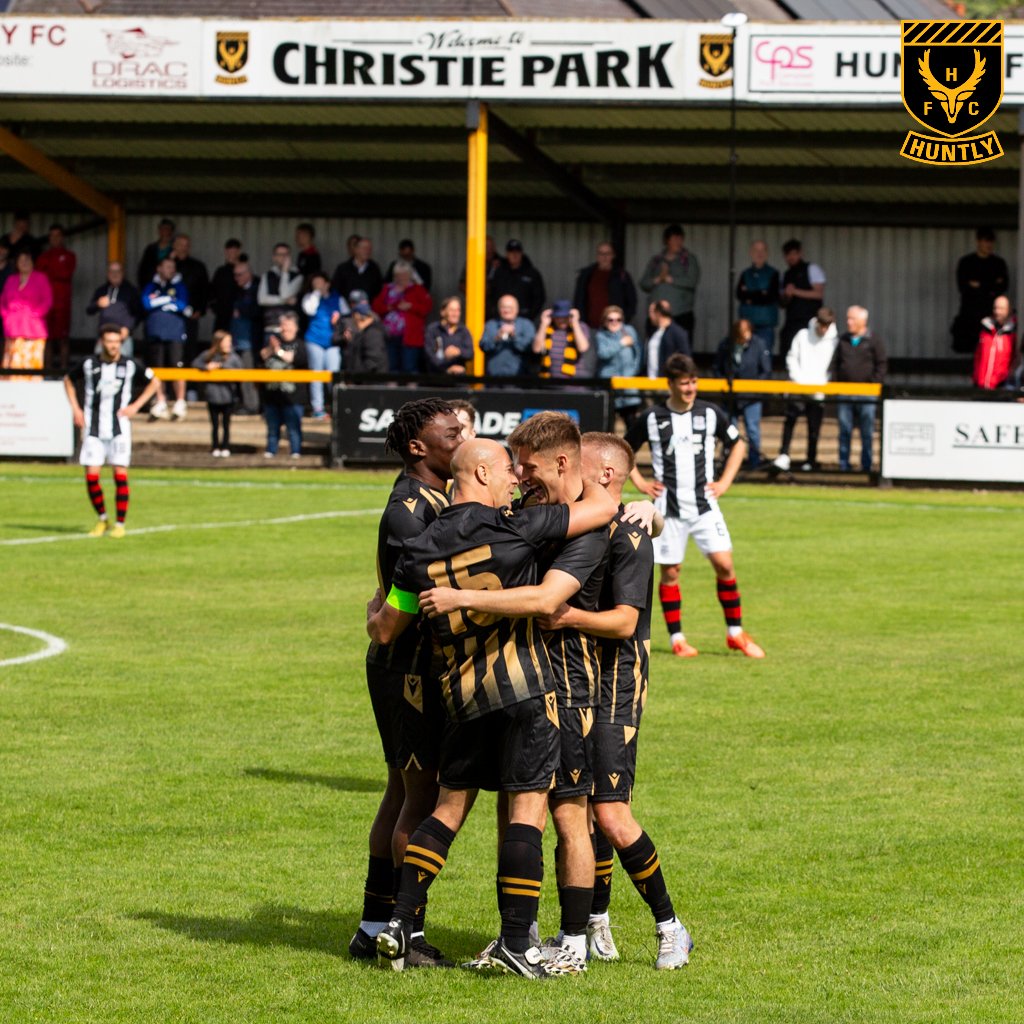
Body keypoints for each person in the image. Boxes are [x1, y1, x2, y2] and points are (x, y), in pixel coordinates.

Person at [367, 438, 617, 977]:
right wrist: (643, 506)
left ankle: (399, 922)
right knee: (527, 813)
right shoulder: (516, 528)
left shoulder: (417, 551)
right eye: (508, 470)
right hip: (524, 693)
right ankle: (514, 942)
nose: (515, 482)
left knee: (448, 810)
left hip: (461, 699)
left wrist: (373, 608)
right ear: (481, 471)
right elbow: (602, 508)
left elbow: (385, 628)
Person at [551, 431, 693, 970]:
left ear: (607, 474)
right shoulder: (584, 519)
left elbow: (625, 622)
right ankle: (595, 925)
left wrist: (563, 616)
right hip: (578, 680)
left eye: (577, 467)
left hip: (617, 683)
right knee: (579, 808)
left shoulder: (631, 530)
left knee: (609, 812)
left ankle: (671, 927)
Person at [348, 399, 464, 969]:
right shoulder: (409, 508)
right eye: (451, 431)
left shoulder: (438, 497)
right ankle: (406, 934)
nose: (462, 437)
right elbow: (406, 595)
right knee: (419, 797)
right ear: (418, 447)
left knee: (401, 790)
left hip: (412, 664)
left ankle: (373, 927)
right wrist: (383, 621)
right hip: (409, 667)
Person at [627, 354, 765, 660]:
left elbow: (739, 443)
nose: (690, 388)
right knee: (671, 572)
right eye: (684, 383)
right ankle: (677, 639)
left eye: (693, 382)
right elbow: (623, 450)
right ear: (671, 384)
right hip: (668, 507)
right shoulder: (652, 417)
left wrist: (726, 481)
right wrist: (640, 483)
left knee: (725, 565)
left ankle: (735, 633)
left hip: (704, 505)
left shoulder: (710, 413)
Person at [63, 324, 161, 538]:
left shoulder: (130, 365)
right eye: (109, 341)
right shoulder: (89, 364)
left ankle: (119, 523)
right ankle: (102, 519)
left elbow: (154, 382)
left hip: (119, 428)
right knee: (91, 476)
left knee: (120, 474)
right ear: (102, 342)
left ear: (121, 343)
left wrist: (136, 406)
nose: (113, 346)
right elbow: (68, 380)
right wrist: (76, 409)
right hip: (93, 427)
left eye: (117, 342)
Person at [772, 307, 839, 473]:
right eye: (821, 325)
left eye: (827, 326)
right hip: (798, 386)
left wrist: (822, 384)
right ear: (816, 322)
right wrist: (798, 379)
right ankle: (784, 454)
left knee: (814, 426)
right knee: (790, 421)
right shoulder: (802, 335)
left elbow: (832, 367)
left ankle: (810, 459)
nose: (823, 329)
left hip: (818, 390)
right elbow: (792, 357)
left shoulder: (834, 341)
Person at [830, 306, 887, 473]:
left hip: (866, 394)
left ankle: (866, 465)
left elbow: (881, 364)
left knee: (867, 432)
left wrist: (874, 383)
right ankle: (843, 464)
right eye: (848, 318)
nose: (849, 322)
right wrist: (836, 384)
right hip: (845, 392)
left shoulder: (874, 340)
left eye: (852, 319)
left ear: (863, 321)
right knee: (844, 430)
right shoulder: (842, 340)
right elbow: (835, 363)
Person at [713, 319, 772, 469]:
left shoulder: (758, 344)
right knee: (729, 430)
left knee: (752, 429)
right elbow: (717, 368)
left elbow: (766, 370)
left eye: (747, 333)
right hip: (730, 396)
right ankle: (729, 461)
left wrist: (752, 387)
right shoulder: (726, 345)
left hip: (751, 396)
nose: (745, 337)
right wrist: (724, 383)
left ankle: (754, 462)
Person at [142, 255, 191, 421]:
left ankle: (179, 401)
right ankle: (160, 400)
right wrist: (168, 301)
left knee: (177, 367)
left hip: (174, 332)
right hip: (155, 333)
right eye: (167, 267)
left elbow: (182, 304)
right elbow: (146, 303)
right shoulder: (151, 286)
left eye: (172, 267)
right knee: (157, 369)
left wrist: (160, 302)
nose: (170, 270)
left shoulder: (180, 286)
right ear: (159, 268)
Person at [953, 227, 1010, 354]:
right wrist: (991, 285)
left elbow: (1003, 286)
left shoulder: (998, 263)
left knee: (991, 349)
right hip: (971, 315)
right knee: (970, 348)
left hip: (991, 315)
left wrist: (979, 285)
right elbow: (963, 287)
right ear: (978, 241)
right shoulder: (967, 263)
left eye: (991, 241)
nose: (989, 244)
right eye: (986, 241)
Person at [639, 224, 700, 340]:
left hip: (681, 315)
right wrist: (658, 279)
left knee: (680, 351)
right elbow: (643, 283)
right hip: (657, 316)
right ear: (666, 241)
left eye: (680, 239)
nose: (678, 242)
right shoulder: (656, 261)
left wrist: (669, 278)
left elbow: (692, 282)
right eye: (674, 239)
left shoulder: (689, 260)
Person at [260, 312, 307, 459]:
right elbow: (261, 357)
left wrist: (278, 351)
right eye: (282, 325)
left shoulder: (300, 344)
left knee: (293, 428)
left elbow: (297, 359)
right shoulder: (273, 341)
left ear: (295, 327)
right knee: (272, 427)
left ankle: (295, 451)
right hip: (272, 394)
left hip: (293, 396)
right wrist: (271, 348)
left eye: (287, 325)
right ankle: (270, 450)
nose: (284, 328)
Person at [301, 272, 348, 418]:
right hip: (314, 340)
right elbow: (309, 309)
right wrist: (316, 292)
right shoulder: (310, 297)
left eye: (321, 283)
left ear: (327, 283)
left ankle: (336, 405)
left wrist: (339, 320)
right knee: (317, 374)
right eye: (315, 283)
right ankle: (318, 408)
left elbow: (347, 316)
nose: (318, 286)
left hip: (333, 342)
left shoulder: (337, 298)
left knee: (333, 374)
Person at [373, 261, 433, 374]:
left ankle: (411, 391)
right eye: (399, 275)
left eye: (405, 275)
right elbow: (376, 307)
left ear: (410, 275)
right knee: (392, 368)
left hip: (410, 336)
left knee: (410, 368)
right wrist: (390, 307)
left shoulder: (418, 289)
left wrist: (410, 306)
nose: (401, 278)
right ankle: (393, 391)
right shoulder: (387, 289)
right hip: (389, 336)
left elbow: (427, 308)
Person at [1, 251, 52, 376]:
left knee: (30, 365)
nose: (24, 263)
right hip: (13, 328)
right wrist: (6, 316)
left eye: (27, 260)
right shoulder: (11, 280)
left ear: (32, 262)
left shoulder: (41, 278)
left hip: (33, 329)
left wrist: (35, 315)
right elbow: (2, 301)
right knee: (12, 362)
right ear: (17, 264)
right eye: (21, 260)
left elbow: (47, 300)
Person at [192, 330, 242, 457]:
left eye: (230, 342)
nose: (228, 344)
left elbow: (241, 371)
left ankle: (225, 446)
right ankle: (215, 446)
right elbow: (195, 363)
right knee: (214, 425)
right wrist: (207, 367)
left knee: (226, 424)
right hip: (213, 396)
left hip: (228, 396)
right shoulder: (208, 355)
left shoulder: (233, 357)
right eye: (226, 341)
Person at [36, 223, 76, 370]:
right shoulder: (43, 257)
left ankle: (63, 371)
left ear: (63, 237)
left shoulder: (69, 256)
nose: (55, 239)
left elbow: (66, 274)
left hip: (63, 304)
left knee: (63, 339)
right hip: (46, 305)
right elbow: (39, 276)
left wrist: (51, 271)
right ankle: (47, 370)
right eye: (52, 236)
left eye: (58, 235)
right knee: (47, 339)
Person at [595, 304, 643, 426]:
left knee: (632, 423)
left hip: (628, 384)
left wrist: (634, 371)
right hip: (610, 385)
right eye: (610, 320)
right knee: (608, 426)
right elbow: (603, 353)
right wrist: (621, 343)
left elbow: (638, 353)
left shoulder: (629, 331)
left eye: (618, 319)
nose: (614, 322)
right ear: (604, 321)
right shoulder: (601, 335)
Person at [573, 242, 637, 329]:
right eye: (601, 254)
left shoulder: (621, 275)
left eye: (608, 254)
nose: (604, 257)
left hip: (614, 328)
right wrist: (582, 322)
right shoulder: (586, 275)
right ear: (597, 256)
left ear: (613, 255)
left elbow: (631, 301)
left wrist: (622, 321)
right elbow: (579, 300)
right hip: (590, 326)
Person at [779, 239, 826, 358]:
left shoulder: (811, 269)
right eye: (788, 255)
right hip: (792, 322)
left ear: (800, 253)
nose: (791, 257)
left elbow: (818, 294)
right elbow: (783, 303)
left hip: (810, 321)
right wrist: (787, 295)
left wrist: (795, 291)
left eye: (794, 253)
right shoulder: (786, 275)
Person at [736, 240, 780, 354]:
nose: (759, 253)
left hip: (765, 326)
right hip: (746, 326)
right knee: (745, 360)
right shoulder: (745, 273)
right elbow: (740, 295)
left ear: (767, 253)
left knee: (764, 359)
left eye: (762, 250)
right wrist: (761, 293)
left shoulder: (773, 273)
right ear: (751, 252)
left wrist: (750, 296)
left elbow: (771, 297)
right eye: (756, 250)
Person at [229, 258, 262, 414]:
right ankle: (244, 403)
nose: (237, 278)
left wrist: (241, 310)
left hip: (249, 341)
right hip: (237, 341)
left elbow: (256, 312)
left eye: (240, 275)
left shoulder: (257, 290)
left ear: (249, 274)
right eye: (235, 275)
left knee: (248, 375)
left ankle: (252, 406)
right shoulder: (236, 290)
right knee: (239, 375)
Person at [86, 261, 143, 350]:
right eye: (112, 272)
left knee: (123, 363)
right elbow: (89, 310)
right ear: (108, 274)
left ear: (122, 273)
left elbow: (139, 313)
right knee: (99, 362)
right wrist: (97, 304)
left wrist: (128, 328)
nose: (115, 274)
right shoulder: (102, 290)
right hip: (104, 336)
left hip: (122, 336)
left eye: (117, 271)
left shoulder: (131, 291)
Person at [170, 234, 209, 360]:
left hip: (191, 316)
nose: (183, 248)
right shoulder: (166, 265)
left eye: (186, 245)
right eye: (180, 245)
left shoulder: (198, 267)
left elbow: (205, 291)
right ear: (174, 246)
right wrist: (169, 260)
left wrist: (200, 310)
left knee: (189, 349)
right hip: (170, 316)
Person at [533, 301, 592, 379]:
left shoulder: (580, 326)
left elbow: (583, 348)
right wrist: (543, 324)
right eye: (558, 317)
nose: (561, 320)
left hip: (575, 383)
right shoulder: (547, 328)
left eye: (565, 317)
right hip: (550, 382)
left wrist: (575, 323)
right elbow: (536, 349)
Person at [490, 239, 545, 322]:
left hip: (524, 319)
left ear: (521, 253)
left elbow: (539, 298)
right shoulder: (499, 272)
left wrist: (530, 316)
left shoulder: (532, 273)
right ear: (507, 254)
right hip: (500, 320)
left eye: (517, 252)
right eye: (511, 252)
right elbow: (491, 294)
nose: (514, 255)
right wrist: (495, 313)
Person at [479, 294, 534, 377]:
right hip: (494, 379)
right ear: (498, 309)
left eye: (510, 307)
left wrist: (514, 336)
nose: (507, 310)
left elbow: (530, 348)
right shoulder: (491, 325)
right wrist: (497, 337)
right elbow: (483, 346)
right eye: (504, 307)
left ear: (517, 309)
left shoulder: (526, 325)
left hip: (519, 380)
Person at [257, 242, 303, 338]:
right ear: (274, 257)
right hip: (271, 325)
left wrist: (285, 272)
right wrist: (283, 301)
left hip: (289, 328)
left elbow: (284, 293)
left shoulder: (297, 276)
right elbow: (262, 299)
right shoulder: (267, 276)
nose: (283, 258)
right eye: (280, 255)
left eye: (286, 255)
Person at [974, 295, 1017, 389]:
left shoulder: (1013, 333)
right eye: (995, 308)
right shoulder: (985, 329)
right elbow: (978, 355)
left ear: (1008, 310)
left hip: (1002, 385)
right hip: (981, 384)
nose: (997, 312)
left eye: (1001, 308)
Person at [423, 296, 473, 376]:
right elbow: (429, 355)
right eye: (452, 310)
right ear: (443, 312)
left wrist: (458, 352)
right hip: (437, 380)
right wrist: (445, 368)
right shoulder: (433, 330)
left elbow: (470, 353)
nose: (455, 314)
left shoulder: (464, 331)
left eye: (458, 310)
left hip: (459, 381)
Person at [332, 236, 383, 308]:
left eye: (369, 249)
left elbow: (379, 291)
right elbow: (336, 290)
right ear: (356, 249)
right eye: (364, 248)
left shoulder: (374, 268)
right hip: (347, 310)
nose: (367, 251)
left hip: (369, 311)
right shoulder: (343, 268)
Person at [644, 299, 691, 378]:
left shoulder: (677, 332)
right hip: (652, 381)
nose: (649, 316)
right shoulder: (655, 333)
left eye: (651, 312)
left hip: (667, 381)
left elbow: (685, 357)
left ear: (658, 313)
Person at [343, 299, 389, 375]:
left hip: (371, 381)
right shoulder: (363, 332)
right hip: (364, 380)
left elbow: (373, 360)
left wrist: (357, 376)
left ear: (357, 315)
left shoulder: (373, 332)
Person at [208, 238, 243, 332]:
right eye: (229, 252)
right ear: (225, 252)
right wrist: (215, 308)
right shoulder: (220, 272)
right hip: (222, 315)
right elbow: (212, 292)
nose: (232, 255)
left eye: (234, 252)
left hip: (238, 315)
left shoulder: (243, 271)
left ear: (238, 252)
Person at [137, 217, 175, 287]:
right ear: (159, 231)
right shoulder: (150, 249)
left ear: (171, 231)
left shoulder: (175, 249)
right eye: (162, 229)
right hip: (152, 285)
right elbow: (143, 270)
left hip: (171, 286)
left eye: (167, 229)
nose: (165, 231)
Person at [294, 222, 322, 289]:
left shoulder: (313, 255)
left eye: (298, 236)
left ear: (307, 236)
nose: (296, 239)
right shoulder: (302, 254)